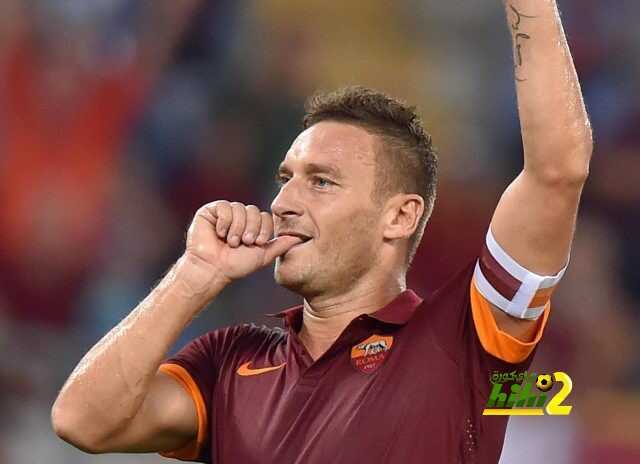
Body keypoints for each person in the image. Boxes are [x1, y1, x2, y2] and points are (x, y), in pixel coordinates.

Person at [51, 1, 592, 462]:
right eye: (286, 179)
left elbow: (557, 171)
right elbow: (82, 421)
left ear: (399, 217)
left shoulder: (461, 345)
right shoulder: (231, 362)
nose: (283, 202)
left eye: (322, 182)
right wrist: (196, 274)